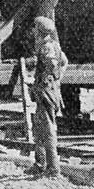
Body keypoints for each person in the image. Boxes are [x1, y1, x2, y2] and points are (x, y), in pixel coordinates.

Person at [29, 16, 68, 177]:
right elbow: (65, 62)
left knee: (47, 128)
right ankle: (40, 164)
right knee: (39, 127)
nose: (32, 32)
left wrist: (50, 77)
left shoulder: (46, 47)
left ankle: (53, 169)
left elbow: (53, 64)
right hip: (47, 89)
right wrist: (58, 79)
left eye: (35, 29)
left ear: (39, 31)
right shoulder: (54, 45)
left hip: (46, 91)